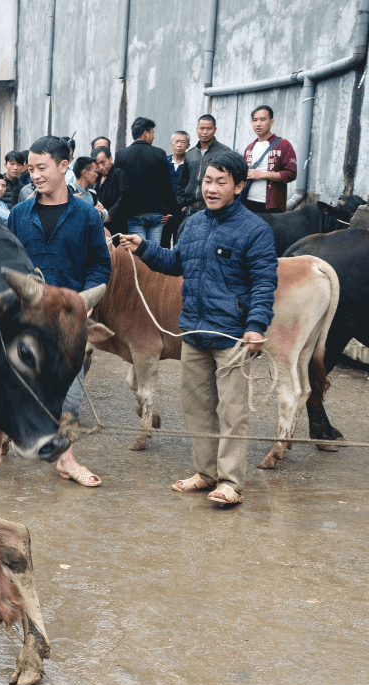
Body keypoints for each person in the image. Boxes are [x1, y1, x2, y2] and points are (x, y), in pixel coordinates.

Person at [119, 151, 276, 505]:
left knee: (233, 412)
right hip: (193, 331)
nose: (211, 188)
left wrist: (255, 326)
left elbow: (265, 283)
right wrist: (144, 248)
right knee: (196, 407)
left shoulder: (255, 230)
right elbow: (176, 263)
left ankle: (230, 482)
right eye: (207, 181)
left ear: (238, 186)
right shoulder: (193, 224)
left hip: (231, 336)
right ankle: (206, 473)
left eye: (221, 182)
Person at [7, 136, 110, 488]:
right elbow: (9, 261)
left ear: (64, 166)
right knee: (14, 384)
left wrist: (85, 300)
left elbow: (100, 266)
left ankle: (66, 458)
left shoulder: (86, 215)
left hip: (69, 320)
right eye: (30, 169)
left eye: (42, 168)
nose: (34, 175)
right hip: (26, 318)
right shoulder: (19, 215)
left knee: (69, 394)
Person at [113, 116, 179, 245]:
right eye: (152, 132)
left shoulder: (121, 155)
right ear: (145, 133)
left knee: (138, 251)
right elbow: (166, 184)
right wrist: (170, 211)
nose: (153, 136)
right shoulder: (159, 153)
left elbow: (117, 186)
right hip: (156, 214)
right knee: (154, 251)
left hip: (133, 212)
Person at [242, 105, 297, 214]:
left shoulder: (283, 145)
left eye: (262, 119)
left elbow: (291, 174)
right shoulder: (249, 148)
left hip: (271, 206)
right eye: (255, 120)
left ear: (271, 122)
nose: (258, 124)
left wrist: (262, 175)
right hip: (246, 203)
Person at [183, 114, 233, 214]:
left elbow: (230, 181)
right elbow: (183, 181)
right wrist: (182, 206)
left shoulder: (225, 152)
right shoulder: (190, 154)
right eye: (202, 128)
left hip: (214, 209)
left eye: (209, 128)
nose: (205, 132)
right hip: (190, 209)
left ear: (215, 130)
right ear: (197, 129)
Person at [93, 145, 130, 233]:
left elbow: (124, 197)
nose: (101, 167)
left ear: (110, 159)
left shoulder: (118, 174)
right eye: (97, 164)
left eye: (103, 162)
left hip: (117, 223)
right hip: (102, 221)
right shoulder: (97, 178)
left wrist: (110, 214)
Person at [163, 130, 191, 246]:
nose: (179, 145)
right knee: (163, 245)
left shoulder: (191, 165)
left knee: (180, 244)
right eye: (176, 141)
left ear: (188, 145)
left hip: (183, 213)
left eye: (183, 142)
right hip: (165, 214)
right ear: (171, 144)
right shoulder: (164, 163)